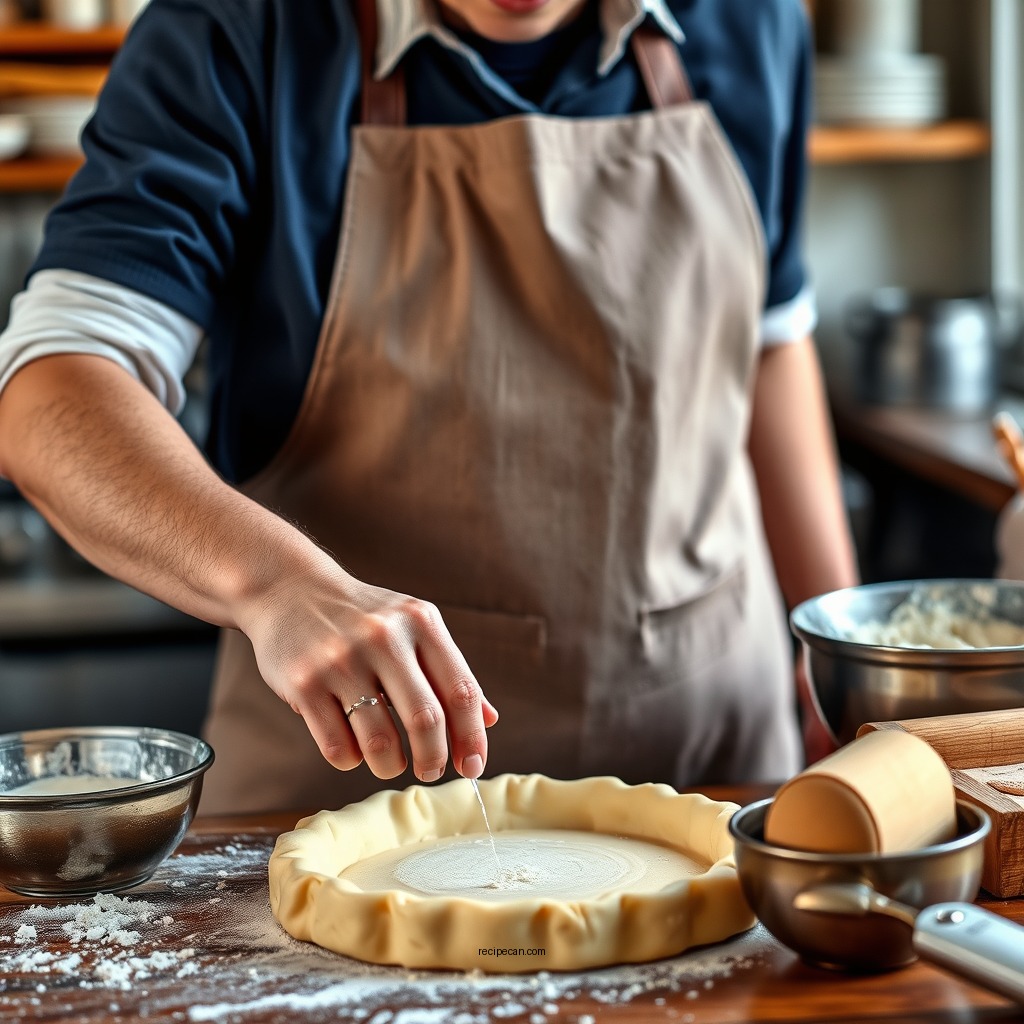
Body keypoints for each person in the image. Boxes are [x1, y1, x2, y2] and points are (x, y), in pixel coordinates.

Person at [0, 0, 859, 814]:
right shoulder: (238, 30)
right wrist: (276, 584)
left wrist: (844, 663)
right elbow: (51, 391)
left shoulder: (750, 21)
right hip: (351, 797)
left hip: (714, 775)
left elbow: (768, 346)